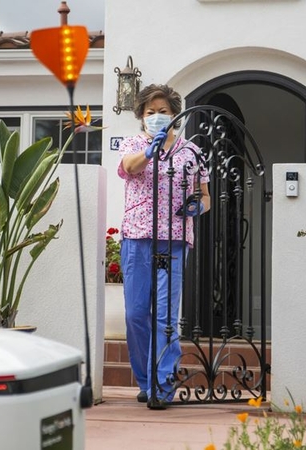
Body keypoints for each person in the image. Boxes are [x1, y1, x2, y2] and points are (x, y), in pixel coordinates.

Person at [117, 84, 211, 406]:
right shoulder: (133, 143)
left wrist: (197, 206)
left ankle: (162, 384)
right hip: (138, 239)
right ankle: (145, 381)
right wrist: (149, 152)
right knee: (136, 313)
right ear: (141, 117)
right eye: (150, 112)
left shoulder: (192, 152)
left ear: (174, 115)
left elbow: (206, 196)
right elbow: (129, 168)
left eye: (163, 112)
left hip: (172, 242)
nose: (156, 117)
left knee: (165, 316)